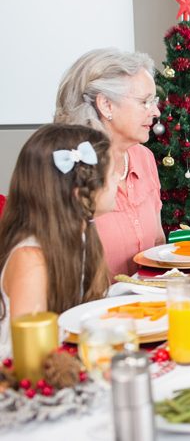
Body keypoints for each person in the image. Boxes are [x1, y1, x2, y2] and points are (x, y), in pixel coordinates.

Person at [0, 124, 117, 355]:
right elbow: (29, 356)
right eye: (112, 175)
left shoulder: (83, 234)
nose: (117, 183)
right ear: (79, 193)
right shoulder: (31, 261)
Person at [55, 48, 164, 279]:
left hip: (146, 308)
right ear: (106, 105)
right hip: (89, 310)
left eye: (153, 101)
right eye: (145, 102)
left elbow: (157, 242)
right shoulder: (69, 167)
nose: (155, 111)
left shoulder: (143, 158)